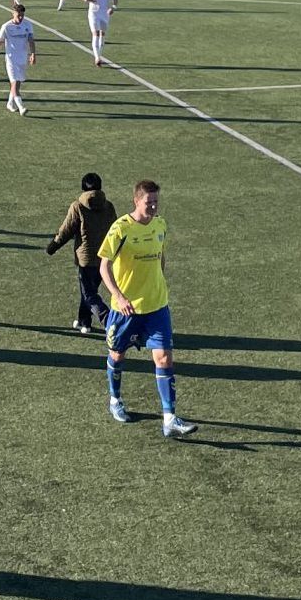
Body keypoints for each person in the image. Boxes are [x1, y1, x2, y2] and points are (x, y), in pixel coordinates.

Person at [100, 178, 196, 438]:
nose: (153, 207)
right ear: (136, 201)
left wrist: (159, 282)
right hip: (126, 310)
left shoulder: (160, 225)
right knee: (117, 356)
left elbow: (160, 256)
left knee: (164, 357)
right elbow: (104, 266)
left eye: (156, 202)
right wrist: (118, 297)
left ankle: (169, 418)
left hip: (157, 306)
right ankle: (115, 400)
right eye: (148, 202)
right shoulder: (120, 229)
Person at [48, 173, 116, 334]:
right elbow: (116, 229)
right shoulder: (109, 206)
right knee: (88, 291)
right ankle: (84, 322)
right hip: (104, 258)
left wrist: (53, 245)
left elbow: (67, 229)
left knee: (89, 294)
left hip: (85, 259)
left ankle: (109, 320)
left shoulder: (78, 206)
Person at [0, 3, 36, 115]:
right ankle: (21, 107)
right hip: (11, 60)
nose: (21, 18)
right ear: (13, 13)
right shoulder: (6, 27)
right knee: (14, 83)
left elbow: (31, 41)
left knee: (17, 84)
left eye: (22, 15)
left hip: (22, 59)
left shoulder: (28, 25)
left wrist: (33, 54)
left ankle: (10, 103)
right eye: (18, 15)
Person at [77, 0, 119, 67]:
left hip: (104, 13)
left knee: (102, 34)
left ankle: (99, 55)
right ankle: (97, 57)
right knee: (95, 33)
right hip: (93, 13)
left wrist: (113, 7)